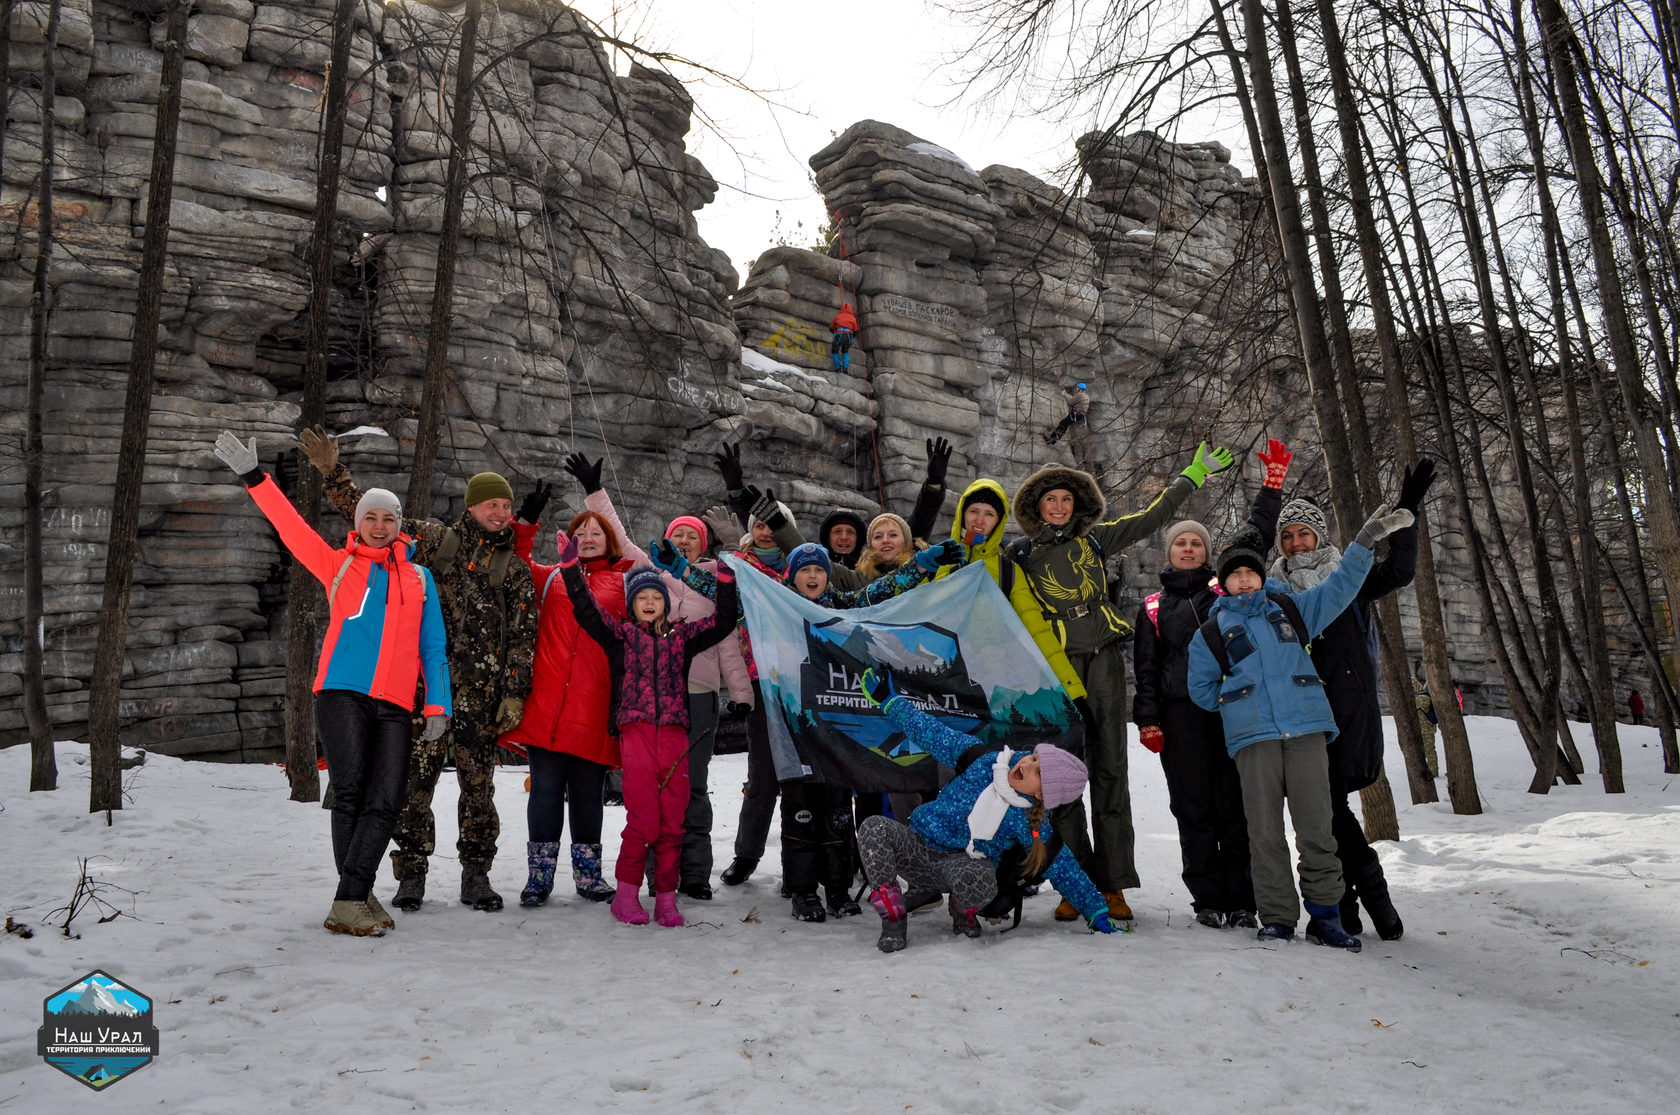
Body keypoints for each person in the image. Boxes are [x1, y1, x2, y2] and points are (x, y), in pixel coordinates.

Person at [213, 431, 451, 937]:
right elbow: (291, 528)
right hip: (341, 694)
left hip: (392, 703)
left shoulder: (421, 579)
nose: (380, 525)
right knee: (349, 793)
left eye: (389, 518)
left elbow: (433, 649)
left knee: (386, 798)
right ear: (359, 523)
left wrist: (437, 706)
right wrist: (255, 478)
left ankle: (353, 894)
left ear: (400, 525)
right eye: (371, 516)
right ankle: (353, 898)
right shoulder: (338, 565)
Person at [653, 535, 963, 919]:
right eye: (805, 570)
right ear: (792, 576)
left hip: (830, 721)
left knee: (836, 806)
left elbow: (879, 593)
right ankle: (801, 889)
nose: (813, 576)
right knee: (798, 804)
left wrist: (920, 567)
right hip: (788, 718)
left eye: (819, 570)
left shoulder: (838, 605)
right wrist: (682, 570)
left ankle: (836, 888)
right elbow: (726, 591)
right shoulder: (770, 602)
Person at [297, 427, 536, 914]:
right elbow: (371, 518)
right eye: (490, 505)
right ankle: (411, 877)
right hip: (422, 691)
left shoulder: (515, 568)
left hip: (483, 698)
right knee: (412, 789)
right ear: (471, 507)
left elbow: (523, 636)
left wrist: (513, 692)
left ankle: (476, 875)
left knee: (479, 789)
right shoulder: (433, 542)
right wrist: (332, 472)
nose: (499, 513)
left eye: (505, 507)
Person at [1008, 442, 1235, 922]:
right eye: (1051, 499)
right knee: (1060, 776)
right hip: (1054, 670)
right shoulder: (1020, 553)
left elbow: (1153, 518)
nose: (1060, 506)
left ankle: (1111, 884)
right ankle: (1075, 883)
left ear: (1078, 504)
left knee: (1111, 770)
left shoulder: (1096, 540)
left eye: (1067, 498)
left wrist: (1191, 476)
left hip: (1105, 661)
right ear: (1035, 506)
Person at [1187, 504, 1415, 951]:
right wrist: (1240, 702)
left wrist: (1365, 540)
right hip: (1254, 741)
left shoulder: (1291, 610)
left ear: (1261, 576)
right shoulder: (1211, 634)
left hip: (1308, 730)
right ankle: (1276, 917)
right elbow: (1201, 690)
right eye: (1235, 575)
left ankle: (1327, 917)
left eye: (1251, 572)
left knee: (1317, 828)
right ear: (1225, 584)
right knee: (1265, 832)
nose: (1245, 580)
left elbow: (1341, 588)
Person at [559, 452, 756, 901]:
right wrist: (595, 490)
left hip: (699, 693)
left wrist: (740, 691)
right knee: (650, 789)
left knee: (694, 786)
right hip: (647, 698)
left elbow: (727, 633)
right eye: (677, 534)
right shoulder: (648, 573)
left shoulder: (714, 576)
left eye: (692, 536)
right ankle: (655, 875)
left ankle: (693, 874)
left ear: (701, 546)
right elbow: (619, 536)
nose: (683, 540)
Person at [1269, 459, 1434, 942]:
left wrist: (1407, 511)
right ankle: (1357, 900)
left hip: (1348, 707)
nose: (1297, 543)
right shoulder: (1273, 591)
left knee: (1330, 804)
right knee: (1322, 807)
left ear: (1320, 537)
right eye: (1288, 536)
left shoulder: (1351, 575)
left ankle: (1357, 901)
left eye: (1304, 534)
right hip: (1300, 714)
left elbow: (1400, 571)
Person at [1131, 438, 1290, 930]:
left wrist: (1271, 489)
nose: (1188, 547)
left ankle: (1243, 898)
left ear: (1205, 553)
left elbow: (1255, 540)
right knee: (1192, 807)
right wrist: (1149, 720)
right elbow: (1146, 669)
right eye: (1180, 542)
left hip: (1232, 710)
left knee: (1236, 804)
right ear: (1170, 551)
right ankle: (1207, 899)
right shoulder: (1153, 607)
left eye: (1196, 542)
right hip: (1179, 719)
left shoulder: (1225, 590)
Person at [852, 665, 1120, 952]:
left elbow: (1063, 867)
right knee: (873, 828)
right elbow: (931, 732)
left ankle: (962, 911)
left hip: (960, 867)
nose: (1027, 765)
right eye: (1033, 759)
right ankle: (893, 917)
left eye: (1039, 772)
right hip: (918, 848)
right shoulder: (982, 760)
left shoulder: (1028, 819)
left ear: (1042, 793)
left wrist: (1096, 911)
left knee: (980, 876)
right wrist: (890, 701)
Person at [502, 500, 632, 906]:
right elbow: (517, 560)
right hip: (548, 706)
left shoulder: (626, 583)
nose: (588, 539)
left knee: (588, 796)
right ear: (569, 542)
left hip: (594, 708)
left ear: (608, 540)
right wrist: (524, 524)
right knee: (543, 792)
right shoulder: (552, 577)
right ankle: (538, 879)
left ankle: (589, 878)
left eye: (596, 533)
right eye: (581, 533)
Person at [830, 302, 859, 371]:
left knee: (835, 351)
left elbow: (831, 328)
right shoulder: (853, 318)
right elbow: (855, 330)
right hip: (848, 335)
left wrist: (835, 332)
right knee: (845, 351)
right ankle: (845, 367)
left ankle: (837, 367)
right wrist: (853, 336)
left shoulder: (837, 317)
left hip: (839, 334)